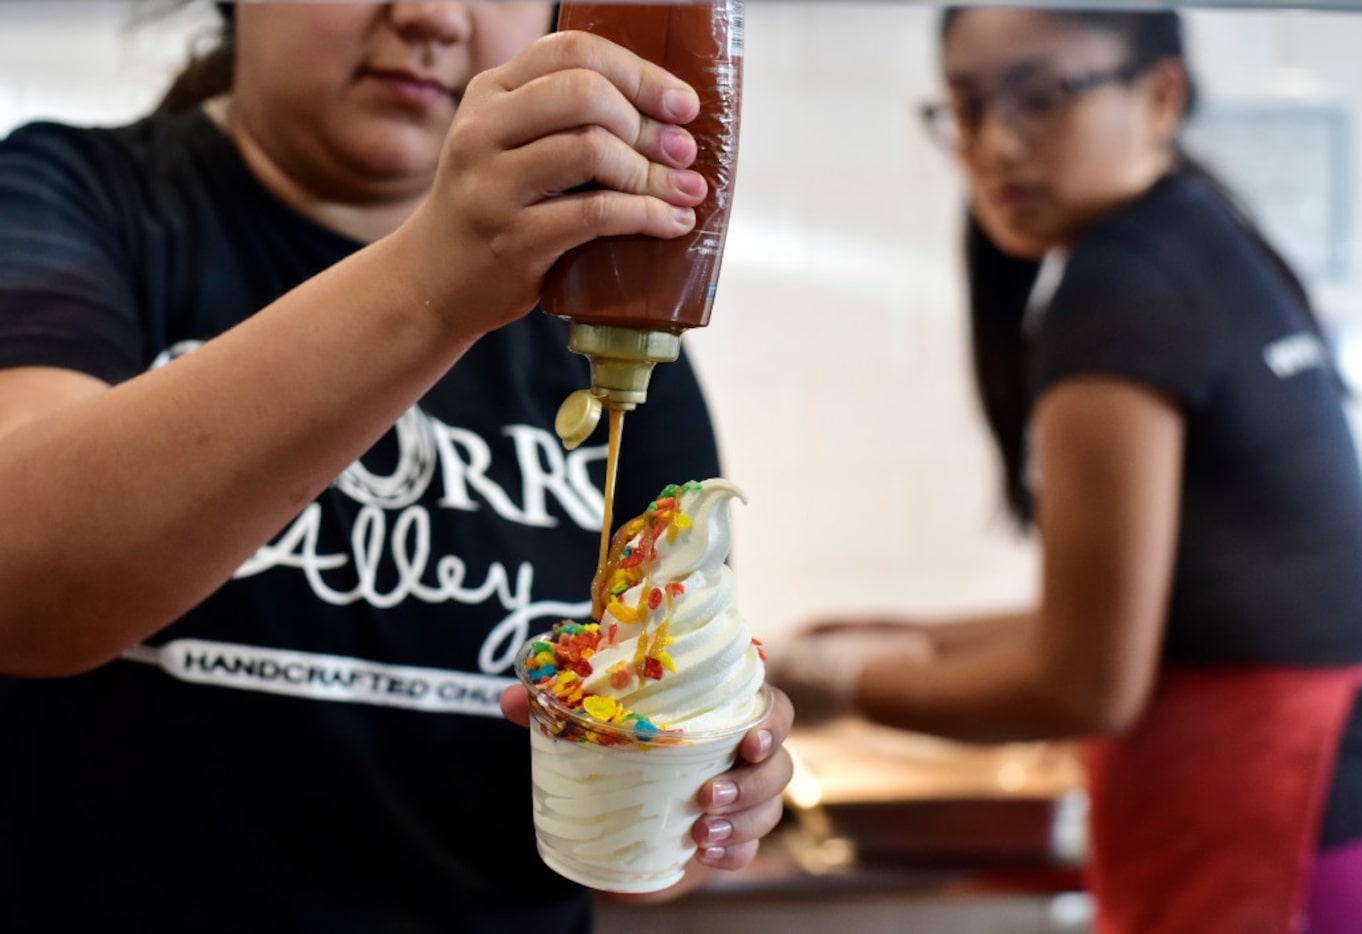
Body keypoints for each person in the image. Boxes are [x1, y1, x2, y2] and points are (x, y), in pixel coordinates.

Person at [0, 4, 793, 931]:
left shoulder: (603, 309)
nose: (430, 13)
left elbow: (632, 861)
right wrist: (435, 274)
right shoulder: (76, 197)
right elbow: (24, 585)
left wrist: (711, 790)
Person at [770, 8, 1362, 933]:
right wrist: (918, 636)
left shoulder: (1119, 289)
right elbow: (1166, 612)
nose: (996, 145)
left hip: (1268, 836)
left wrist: (839, 686)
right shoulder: (1202, 238)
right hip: (1323, 826)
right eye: (966, 108)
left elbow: (1091, 682)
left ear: (1161, 94)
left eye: (1044, 98)